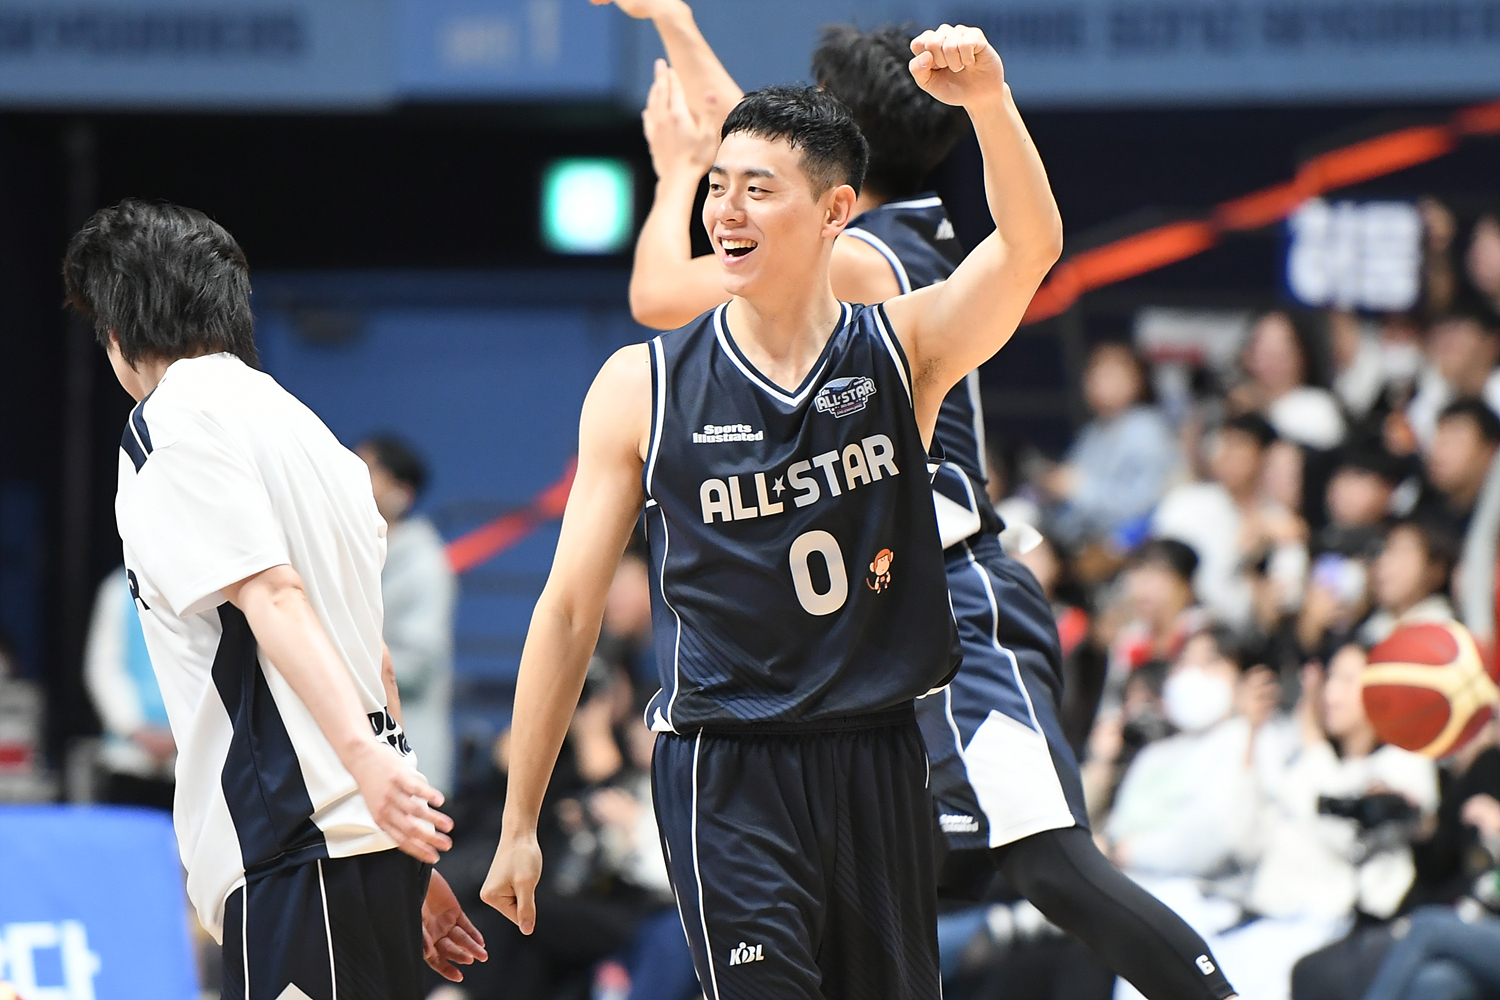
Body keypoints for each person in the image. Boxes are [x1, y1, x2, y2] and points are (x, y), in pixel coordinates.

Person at [598, 7, 1238, 999]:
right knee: (917, 869)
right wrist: (674, 21)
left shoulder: (858, 262)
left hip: (955, 585)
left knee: (1050, 864)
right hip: (892, 604)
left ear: (836, 174)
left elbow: (658, 285)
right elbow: (746, 136)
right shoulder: (892, 232)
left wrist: (680, 167)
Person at [481, 24, 1067, 999]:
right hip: (728, 764)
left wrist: (991, 102)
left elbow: (1031, 247)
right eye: (717, 185)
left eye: (759, 188)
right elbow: (569, 612)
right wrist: (518, 821)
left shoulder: (903, 345)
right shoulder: (643, 386)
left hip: (879, 755)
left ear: (838, 211)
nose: (727, 209)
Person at [63, 200, 485, 998]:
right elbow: (376, 662)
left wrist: (362, 770)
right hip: (363, 847)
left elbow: (272, 594)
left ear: (119, 333)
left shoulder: (170, 422)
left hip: (296, 845)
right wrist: (405, 841)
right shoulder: (312, 435)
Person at [357, 434, 458, 797]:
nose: (352, 478)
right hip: (360, 764)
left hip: (410, 764)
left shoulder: (424, 562)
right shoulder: (354, 556)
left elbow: (416, 664)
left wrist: (331, 664)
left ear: (401, 491)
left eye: (367, 469)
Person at [1154, 413, 1304, 631]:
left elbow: (1285, 601)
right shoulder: (1185, 503)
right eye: (1225, 445)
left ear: (1263, 458)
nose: (1227, 456)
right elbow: (1163, 574)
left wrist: (1255, 563)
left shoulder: (1279, 521)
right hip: (1185, 624)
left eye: (1240, 448)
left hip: (1250, 635)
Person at [1045, 341, 1181, 549]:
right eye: (1095, 375)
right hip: (1080, 542)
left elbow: (1145, 504)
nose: (1101, 383)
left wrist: (1079, 489)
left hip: (1131, 546)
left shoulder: (1146, 428)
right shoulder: (1092, 432)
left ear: (1136, 379)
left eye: (1111, 374)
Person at [84, 565, 176, 810]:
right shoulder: (116, 588)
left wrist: (181, 735)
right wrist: (137, 730)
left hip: (191, 760)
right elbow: (104, 667)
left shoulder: (204, 583)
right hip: (130, 759)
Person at [1231, 310, 1345, 451]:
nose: (1269, 359)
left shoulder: (1316, 408)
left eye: (1279, 350)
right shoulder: (1234, 406)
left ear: (1302, 354)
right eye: (1262, 347)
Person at [1417, 397, 1500, 540]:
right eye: (1440, 439)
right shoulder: (1423, 510)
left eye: (1455, 441)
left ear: (1489, 450)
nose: (1439, 451)